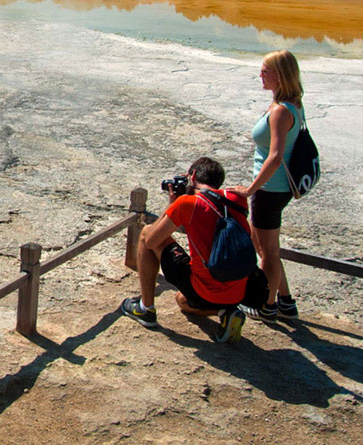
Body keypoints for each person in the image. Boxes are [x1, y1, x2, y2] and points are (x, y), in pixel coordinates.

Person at [120, 157, 268, 343]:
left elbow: (152, 241)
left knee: (146, 233)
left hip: (204, 289)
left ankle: (145, 308)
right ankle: (227, 311)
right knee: (182, 301)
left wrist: (174, 204)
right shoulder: (236, 199)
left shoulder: (188, 204)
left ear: (194, 175)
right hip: (237, 292)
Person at [230, 50, 303, 324]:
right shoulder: (291, 104)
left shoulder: (282, 111)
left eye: (265, 70)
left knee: (268, 252)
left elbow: (274, 156)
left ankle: (266, 306)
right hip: (276, 189)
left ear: (280, 75)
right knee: (266, 247)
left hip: (270, 190)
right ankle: (285, 302)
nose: (260, 75)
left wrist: (250, 189)